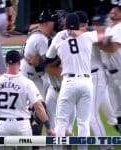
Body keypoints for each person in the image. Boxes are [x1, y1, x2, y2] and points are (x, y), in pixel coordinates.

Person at [46, 12, 103, 150]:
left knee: (61, 121)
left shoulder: (59, 38)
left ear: (65, 25)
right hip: (86, 82)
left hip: (69, 82)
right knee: (83, 122)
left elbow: (48, 59)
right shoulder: (88, 36)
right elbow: (103, 36)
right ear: (79, 25)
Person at [0, 50, 55, 150]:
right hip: (22, 127)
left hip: (3, 128)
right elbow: (39, 107)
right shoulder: (27, 83)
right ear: (20, 63)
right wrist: (49, 128)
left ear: (6, 63)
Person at [20, 10, 57, 138]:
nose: (55, 24)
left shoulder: (35, 33)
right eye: (53, 21)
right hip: (30, 78)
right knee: (39, 109)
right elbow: (48, 63)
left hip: (29, 76)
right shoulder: (41, 39)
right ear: (46, 23)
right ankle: (33, 141)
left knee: (35, 110)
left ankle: (31, 138)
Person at [96, 3, 121, 133]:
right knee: (117, 113)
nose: (114, 11)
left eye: (118, 10)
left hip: (120, 72)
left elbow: (112, 48)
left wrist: (99, 45)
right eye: (114, 8)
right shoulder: (110, 28)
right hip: (110, 75)